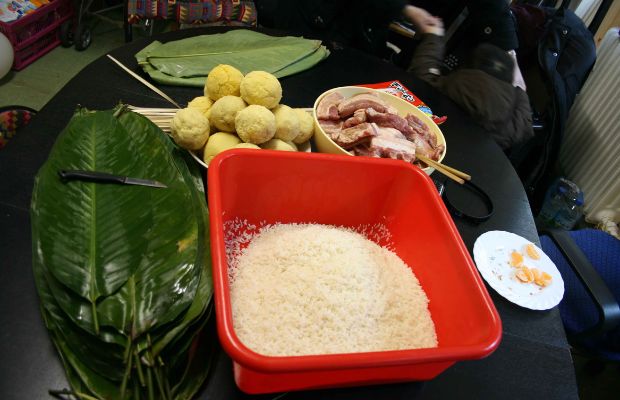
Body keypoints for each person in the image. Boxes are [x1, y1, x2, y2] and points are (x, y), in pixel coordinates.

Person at [406, 10, 534, 151]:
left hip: (431, 147)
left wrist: (432, 36)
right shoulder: (519, 113)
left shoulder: (461, 84)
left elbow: (423, 81)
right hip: (480, 165)